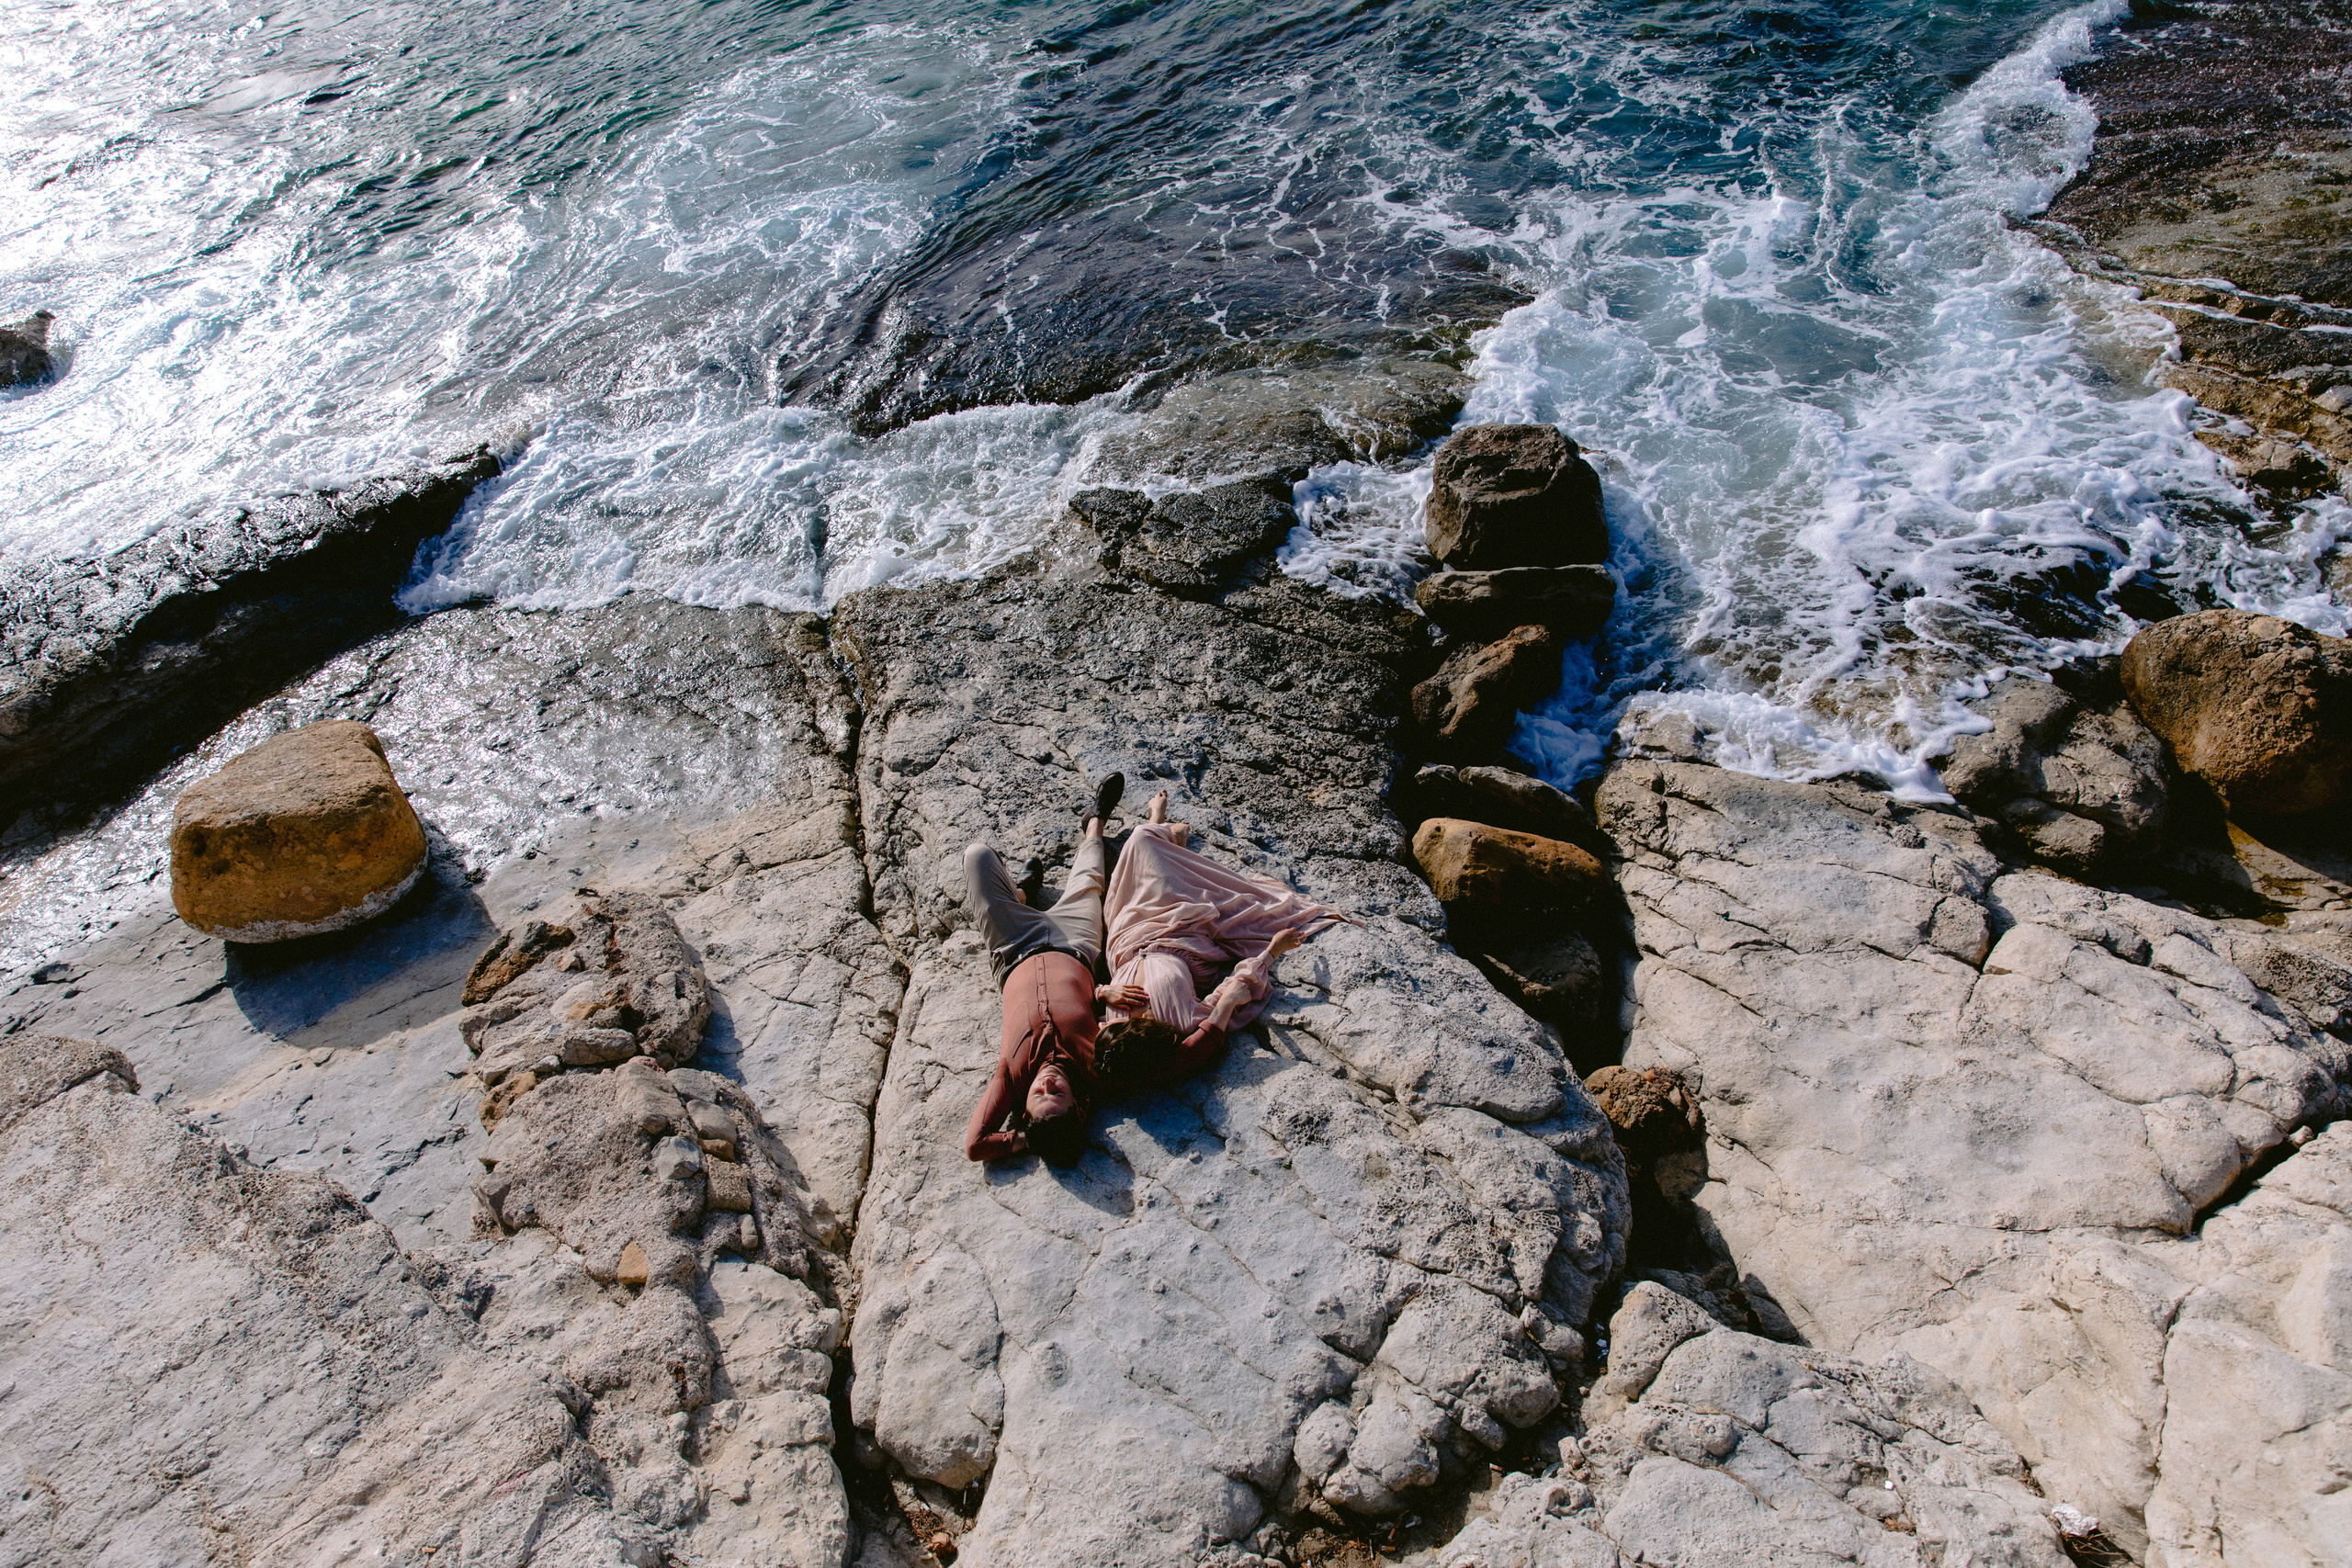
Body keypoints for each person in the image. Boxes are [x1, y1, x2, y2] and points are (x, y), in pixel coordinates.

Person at [1091, 789, 1347, 1095]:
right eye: (1139, 1023)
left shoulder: (1106, 1032)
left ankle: (1159, 826)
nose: (1132, 1017)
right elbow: (1237, 988)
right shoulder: (1182, 1022)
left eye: (1122, 1024)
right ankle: (1163, 834)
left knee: (1138, 843)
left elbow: (1076, 1006)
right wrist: (1272, 951)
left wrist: (1102, 991)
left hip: (1129, 938)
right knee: (1147, 849)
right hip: (1181, 936)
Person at [963, 774, 1124, 1165]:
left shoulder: (1013, 1078)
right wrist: (1103, 993)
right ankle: (1096, 820)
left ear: (1024, 1107)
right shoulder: (1098, 1066)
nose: (1049, 1085)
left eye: (1040, 1097)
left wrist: (1029, 1141)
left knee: (976, 856)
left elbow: (975, 1146)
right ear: (1080, 1104)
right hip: (1076, 945)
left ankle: (1022, 896)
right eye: (1059, 1096)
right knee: (1088, 882)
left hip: (1014, 945)